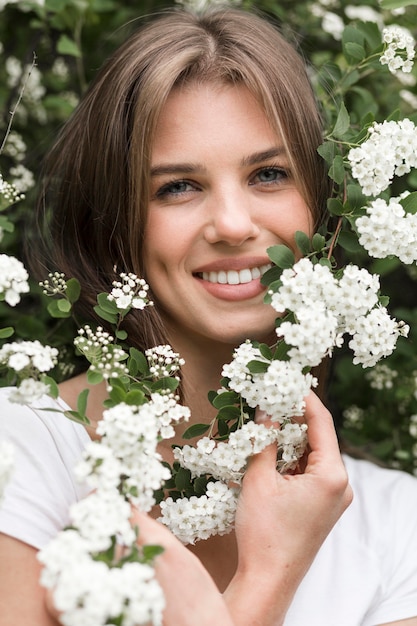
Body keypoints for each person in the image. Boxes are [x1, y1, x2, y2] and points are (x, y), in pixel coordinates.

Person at [0, 6, 416, 626]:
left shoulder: (395, 525)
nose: (231, 224)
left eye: (269, 174)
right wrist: (268, 578)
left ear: (325, 206)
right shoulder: (22, 456)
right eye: (177, 187)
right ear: (118, 224)